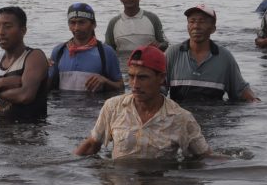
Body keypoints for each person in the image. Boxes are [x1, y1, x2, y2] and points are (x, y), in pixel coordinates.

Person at [74, 45, 213, 160]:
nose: (135, 84)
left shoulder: (180, 118)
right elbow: (92, 145)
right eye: (131, 76)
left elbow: (205, 157)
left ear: (161, 78)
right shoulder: (113, 107)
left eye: (142, 77)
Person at [166, 4, 258, 102]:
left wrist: (256, 103)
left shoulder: (224, 58)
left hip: (214, 115)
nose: (196, 26)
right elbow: (156, 90)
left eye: (202, 22)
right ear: (188, 27)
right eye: (192, 21)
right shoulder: (173, 54)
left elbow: (241, 91)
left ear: (213, 29)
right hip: (180, 116)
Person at [48, 3, 124, 93]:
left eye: (81, 22)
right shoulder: (58, 51)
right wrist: (42, 71)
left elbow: (121, 87)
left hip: (95, 106)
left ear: (93, 25)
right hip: (63, 106)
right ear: (68, 25)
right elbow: (48, 87)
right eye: (73, 23)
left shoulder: (106, 52)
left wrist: (105, 81)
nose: (76, 28)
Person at [104, 0, 169, 53]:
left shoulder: (152, 18)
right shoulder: (113, 22)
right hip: (122, 63)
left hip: (148, 63)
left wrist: (159, 46)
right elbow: (107, 49)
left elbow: (164, 43)